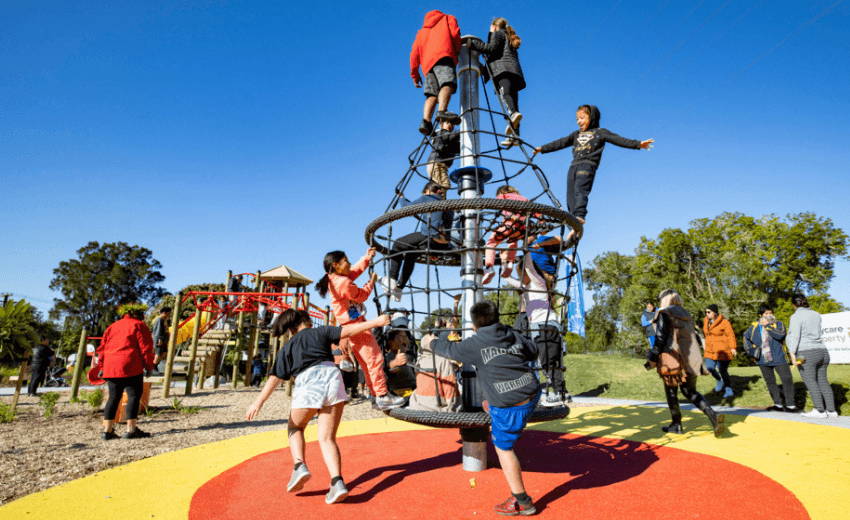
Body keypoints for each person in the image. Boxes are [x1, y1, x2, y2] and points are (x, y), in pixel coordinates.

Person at [246, 308, 391, 504]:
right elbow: (348, 331)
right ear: (306, 321)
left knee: (295, 427)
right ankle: (337, 482)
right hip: (333, 377)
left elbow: (276, 378)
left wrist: (258, 402)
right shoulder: (320, 331)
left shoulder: (287, 347)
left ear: (290, 329)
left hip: (309, 381)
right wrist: (377, 322)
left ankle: (299, 465)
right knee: (327, 438)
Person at [424, 300, 541, 515]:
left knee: (503, 447)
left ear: (474, 326)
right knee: (492, 383)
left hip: (511, 405)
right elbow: (533, 351)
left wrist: (430, 342)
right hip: (533, 392)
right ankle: (491, 405)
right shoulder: (511, 333)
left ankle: (522, 501)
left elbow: (450, 349)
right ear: (497, 318)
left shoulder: (475, 343)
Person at [533, 105, 654, 242]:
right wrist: (542, 149)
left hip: (588, 164)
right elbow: (560, 143)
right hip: (573, 166)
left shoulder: (600, 132)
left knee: (580, 190)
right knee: (570, 197)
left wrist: (638, 144)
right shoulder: (575, 135)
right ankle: (574, 224)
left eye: (582, 118)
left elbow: (618, 139)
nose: (579, 121)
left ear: (592, 118)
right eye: (577, 118)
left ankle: (580, 216)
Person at [316, 250, 405, 410]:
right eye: (346, 261)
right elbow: (362, 296)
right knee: (375, 359)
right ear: (336, 265)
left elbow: (354, 271)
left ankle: (375, 396)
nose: (349, 263)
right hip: (357, 326)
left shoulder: (335, 278)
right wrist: (371, 281)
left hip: (351, 327)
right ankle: (383, 396)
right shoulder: (342, 283)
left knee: (366, 363)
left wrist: (366, 258)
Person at [648, 289, 725, 437]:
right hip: (690, 358)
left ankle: (676, 424)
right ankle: (713, 415)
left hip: (672, 359)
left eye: (659, 299)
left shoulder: (664, 313)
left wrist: (652, 359)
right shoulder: (686, 315)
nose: (658, 302)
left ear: (664, 299)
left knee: (671, 392)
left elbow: (660, 339)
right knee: (690, 391)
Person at [503, 256, 566, 407]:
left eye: (521, 274)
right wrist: (506, 260)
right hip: (537, 330)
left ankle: (559, 393)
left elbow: (530, 267)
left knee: (548, 363)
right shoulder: (526, 287)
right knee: (542, 363)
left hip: (547, 327)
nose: (519, 278)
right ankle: (556, 393)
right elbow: (505, 277)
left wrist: (526, 249)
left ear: (526, 273)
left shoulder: (538, 282)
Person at [380, 182, 454, 301]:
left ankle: (392, 279)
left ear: (428, 192)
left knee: (398, 244)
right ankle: (399, 289)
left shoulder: (427, 198)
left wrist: (401, 197)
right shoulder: (448, 205)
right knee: (411, 253)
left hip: (429, 236)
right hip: (443, 244)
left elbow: (407, 208)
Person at [98, 304, 156, 440]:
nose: (144, 316)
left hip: (111, 366)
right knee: (134, 396)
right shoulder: (139, 325)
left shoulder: (112, 326)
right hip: (131, 364)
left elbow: (102, 348)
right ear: (136, 314)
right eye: (142, 313)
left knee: (113, 397)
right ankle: (131, 429)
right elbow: (146, 347)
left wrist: (102, 366)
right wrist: (149, 366)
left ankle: (107, 431)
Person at [467, 17, 525, 148]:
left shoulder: (498, 33)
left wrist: (473, 44)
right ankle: (515, 136)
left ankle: (512, 113)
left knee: (505, 95)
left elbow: (491, 48)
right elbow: (497, 56)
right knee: (514, 100)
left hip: (503, 71)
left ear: (494, 26)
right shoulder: (509, 37)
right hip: (514, 72)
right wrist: (485, 71)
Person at [786, 294, 838, 418]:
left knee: (810, 381)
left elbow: (794, 336)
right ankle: (832, 411)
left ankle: (819, 410)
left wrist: (792, 355)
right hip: (823, 352)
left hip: (806, 353)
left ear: (794, 305)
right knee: (823, 381)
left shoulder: (796, 316)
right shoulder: (816, 314)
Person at [410, 10, 461, 136]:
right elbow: (455, 34)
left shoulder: (421, 32)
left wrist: (415, 75)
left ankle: (426, 121)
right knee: (448, 83)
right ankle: (442, 111)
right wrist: (456, 53)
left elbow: (414, 54)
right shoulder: (448, 18)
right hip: (444, 55)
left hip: (428, 67)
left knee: (432, 94)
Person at [743, 305, 797, 412]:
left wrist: (767, 326)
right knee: (770, 382)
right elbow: (746, 338)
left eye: (771, 313)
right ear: (760, 315)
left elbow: (780, 335)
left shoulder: (778, 324)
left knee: (787, 379)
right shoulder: (753, 327)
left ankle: (790, 405)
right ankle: (778, 404)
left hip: (779, 357)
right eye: (766, 313)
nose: (769, 315)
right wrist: (751, 351)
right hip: (762, 360)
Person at [482, 186, 529, 284]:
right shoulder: (524, 199)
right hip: (522, 228)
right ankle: (509, 263)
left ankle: (489, 267)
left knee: (491, 243)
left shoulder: (503, 196)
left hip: (509, 225)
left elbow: (496, 202)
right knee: (512, 242)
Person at [703, 304, 737, 399]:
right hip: (710, 350)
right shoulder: (706, 322)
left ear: (715, 312)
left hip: (722, 350)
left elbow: (731, 335)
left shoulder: (725, 323)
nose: (707, 314)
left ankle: (728, 390)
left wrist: (733, 348)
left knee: (723, 370)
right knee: (709, 368)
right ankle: (719, 380)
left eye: (709, 312)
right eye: (706, 312)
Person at [426, 112, 461, 189]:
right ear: (441, 125)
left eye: (452, 123)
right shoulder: (441, 133)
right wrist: (463, 129)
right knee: (444, 185)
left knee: (441, 186)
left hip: (440, 165)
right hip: (437, 164)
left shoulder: (450, 140)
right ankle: (440, 200)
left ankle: (437, 199)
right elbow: (450, 137)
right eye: (448, 122)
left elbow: (458, 148)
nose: (450, 125)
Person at [383, 328, 417, 396]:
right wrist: (395, 363)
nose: (405, 339)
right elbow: (385, 369)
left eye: (406, 336)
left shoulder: (407, 356)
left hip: (413, 390)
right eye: (401, 336)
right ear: (390, 341)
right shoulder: (387, 357)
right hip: (401, 393)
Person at [150, 306, 171, 376]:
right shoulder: (159, 319)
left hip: (164, 340)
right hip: (159, 339)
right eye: (169, 313)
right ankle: (153, 368)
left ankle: (155, 366)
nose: (169, 315)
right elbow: (158, 330)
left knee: (164, 353)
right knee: (158, 353)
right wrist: (159, 339)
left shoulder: (164, 320)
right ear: (164, 313)